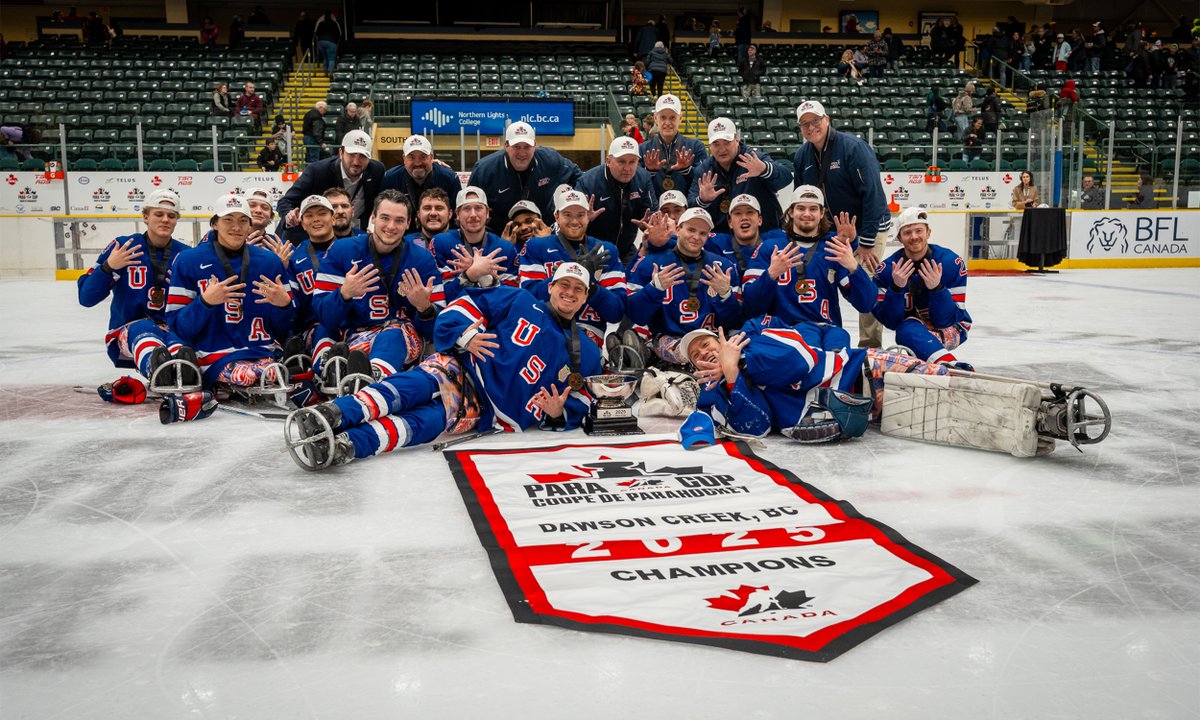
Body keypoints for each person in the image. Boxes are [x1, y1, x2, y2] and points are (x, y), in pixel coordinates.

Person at [283, 262, 603, 470]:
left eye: (578, 289)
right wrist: (465, 336)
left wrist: (560, 413)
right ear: (551, 286)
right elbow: (464, 305)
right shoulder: (519, 299)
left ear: (586, 297)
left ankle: (347, 445)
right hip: (463, 366)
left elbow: (584, 400)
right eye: (565, 285)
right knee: (410, 387)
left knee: (424, 424)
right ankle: (334, 413)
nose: (569, 293)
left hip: (489, 409)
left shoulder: (586, 352)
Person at [311, 189, 444, 384]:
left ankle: (371, 377)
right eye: (385, 218)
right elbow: (323, 314)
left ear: (408, 223)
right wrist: (343, 294)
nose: (391, 226)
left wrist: (425, 309)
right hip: (349, 334)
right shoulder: (342, 250)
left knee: (395, 333)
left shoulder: (422, 259)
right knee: (322, 329)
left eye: (399, 220)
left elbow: (436, 331)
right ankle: (329, 370)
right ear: (372, 218)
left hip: (393, 335)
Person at [166, 194, 295, 391]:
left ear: (250, 225)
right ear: (214, 224)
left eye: (243, 221)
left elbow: (283, 328)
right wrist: (205, 302)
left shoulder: (270, 262)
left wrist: (284, 306)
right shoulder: (188, 260)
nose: (236, 227)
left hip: (262, 350)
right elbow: (179, 327)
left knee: (269, 373)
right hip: (212, 352)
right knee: (249, 376)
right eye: (228, 220)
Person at [77, 190, 198, 394]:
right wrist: (108, 267)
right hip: (129, 330)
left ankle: (185, 371)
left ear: (177, 220)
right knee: (143, 332)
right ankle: (157, 370)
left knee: (181, 341)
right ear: (145, 216)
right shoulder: (124, 246)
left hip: (171, 328)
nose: (165, 220)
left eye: (171, 215)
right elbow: (86, 298)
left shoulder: (186, 255)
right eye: (159, 214)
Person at [791, 100, 889, 348]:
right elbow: (801, 196)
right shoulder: (803, 156)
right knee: (825, 279)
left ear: (827, 120)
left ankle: (870, 346)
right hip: (833, 232)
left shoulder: (853, 148)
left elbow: (874, 194)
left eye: (815, 121)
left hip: (868, 228)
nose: (811, 127)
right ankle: (825, 331)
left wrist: (866, 242)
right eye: (805, 124)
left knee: (865, 281)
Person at [741, 185, 877, 351]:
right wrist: (771, 274)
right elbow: (750, 306)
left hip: (829, 329)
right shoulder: (770, 248)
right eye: (801, 208)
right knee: (810, 350)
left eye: (813, 209)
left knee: (840, 350)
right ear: (790, 212)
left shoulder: (833, 249)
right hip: (785, 330)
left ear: (821, 214)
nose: (807, 214)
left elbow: (867, 304)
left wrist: (854, 267)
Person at [626, 207, 743, 367]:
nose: (696, 237)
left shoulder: (723, 266)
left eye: (703, 233)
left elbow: (735, 321)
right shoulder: (650, 264)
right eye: (691, 230)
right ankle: (651, 354)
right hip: (671, 339)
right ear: (678, 229)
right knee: (676, 350)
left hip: (710, 338)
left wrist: (725, 295)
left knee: (733, 344)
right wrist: (654, 288)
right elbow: (635, 315)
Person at [517, 189, 627, 348]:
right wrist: (574, 271)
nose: (575, 221)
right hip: (545, 325)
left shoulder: (606, 250)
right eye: (568, 214)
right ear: (557, 216)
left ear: (588, 216)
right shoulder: (536, 247)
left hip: (589, 331)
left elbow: (616, 312)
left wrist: (592, 287)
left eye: (580, 215)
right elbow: (528, 299)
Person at [873, 207, 971, 366]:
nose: (914, 237)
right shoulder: (886, 270)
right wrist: (896, 289)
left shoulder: (950, 263)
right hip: (911, 329)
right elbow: (891, 322)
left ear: (928, 233)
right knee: (905, 330)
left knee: (908, 331)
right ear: (899, 237)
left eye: (919, 231)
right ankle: (950, 366)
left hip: (952, 326)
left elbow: (947, 320)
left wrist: (937, 289)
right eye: (907, 233)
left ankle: (947, 366)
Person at [466, 121, 582, 234]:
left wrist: (576, 204)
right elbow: (468, 205)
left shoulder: (550, 159)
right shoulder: (484, 170)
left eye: (527, 146)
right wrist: (493, 240)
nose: (522, 153)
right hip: (501, 236)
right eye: (516, 146)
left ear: (534, 145)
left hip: (542, 234)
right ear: (506, 145)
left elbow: (578, 177)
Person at [277, 129, 386, 244]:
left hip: (349, 238)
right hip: (307, 240)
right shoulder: (317, 171)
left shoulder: (376, 171)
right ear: (341, 152)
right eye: (352, 155)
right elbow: (286, 201)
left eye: (362, 156)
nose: (356, 162)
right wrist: (289, 216)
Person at [688, 117, 792, 235]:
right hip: (723, 239)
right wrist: (703, 200)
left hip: (764, 235)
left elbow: (786, 177)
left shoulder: (753, 159)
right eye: (716, 144)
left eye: (726, 142)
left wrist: (764, 169)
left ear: (736, 140)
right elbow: (691, 206)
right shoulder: (704, 170)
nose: (722, 149)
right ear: (710, 146)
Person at [574, 136, 657, 264]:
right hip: (593, 251)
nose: (627, 168)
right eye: (621, 161)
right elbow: (572, 223)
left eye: (632, 162)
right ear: (608, 160)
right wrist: (584, 219)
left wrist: (648, 223)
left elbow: (651, 212)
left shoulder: (643, 178)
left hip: (626, 250)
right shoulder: (588, 182)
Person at [431, 186, 520, 302]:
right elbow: (441, 297)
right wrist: (469, 275)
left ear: (487, 213)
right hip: (456, 312)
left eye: (478, 208)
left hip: (494, 314)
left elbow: (513, 298)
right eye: (466, 209)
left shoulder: (505, 248)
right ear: (457, 214)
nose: (473, 214)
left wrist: (484, 277)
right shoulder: (441, 243)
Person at [639, 94, 707, 200]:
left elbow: (704, 182)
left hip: (686, 212)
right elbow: (636, 186)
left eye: (672, 117)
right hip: (654, 211)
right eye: (663, 117)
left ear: (680, 118)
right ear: (655, 118)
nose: (667, 123)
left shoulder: (696, 147)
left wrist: (687, 170)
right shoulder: (642, 150)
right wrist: (649, 172)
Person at [380, 134, 462, 209]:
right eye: (411, 157)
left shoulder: (449, 179)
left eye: (423, 157)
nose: (418, 163)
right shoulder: (390, 179)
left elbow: (456, 218)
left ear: (431, 158)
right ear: (404, 159)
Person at [405, 187, 453, 252]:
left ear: (450, 214)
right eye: (427, 208)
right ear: (418, 214)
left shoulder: (461, 242)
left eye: (439, 208)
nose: (433, 213)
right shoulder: (406, 244)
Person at [313, 10, 342, 77]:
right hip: (331, 42)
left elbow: (316, 33)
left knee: (325, 58)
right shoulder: (334, 23)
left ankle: (325, 73)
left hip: (321, 42)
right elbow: (338, 34)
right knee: (331, 58)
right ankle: (331, 73)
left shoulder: (321, 23)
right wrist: (336, 41)